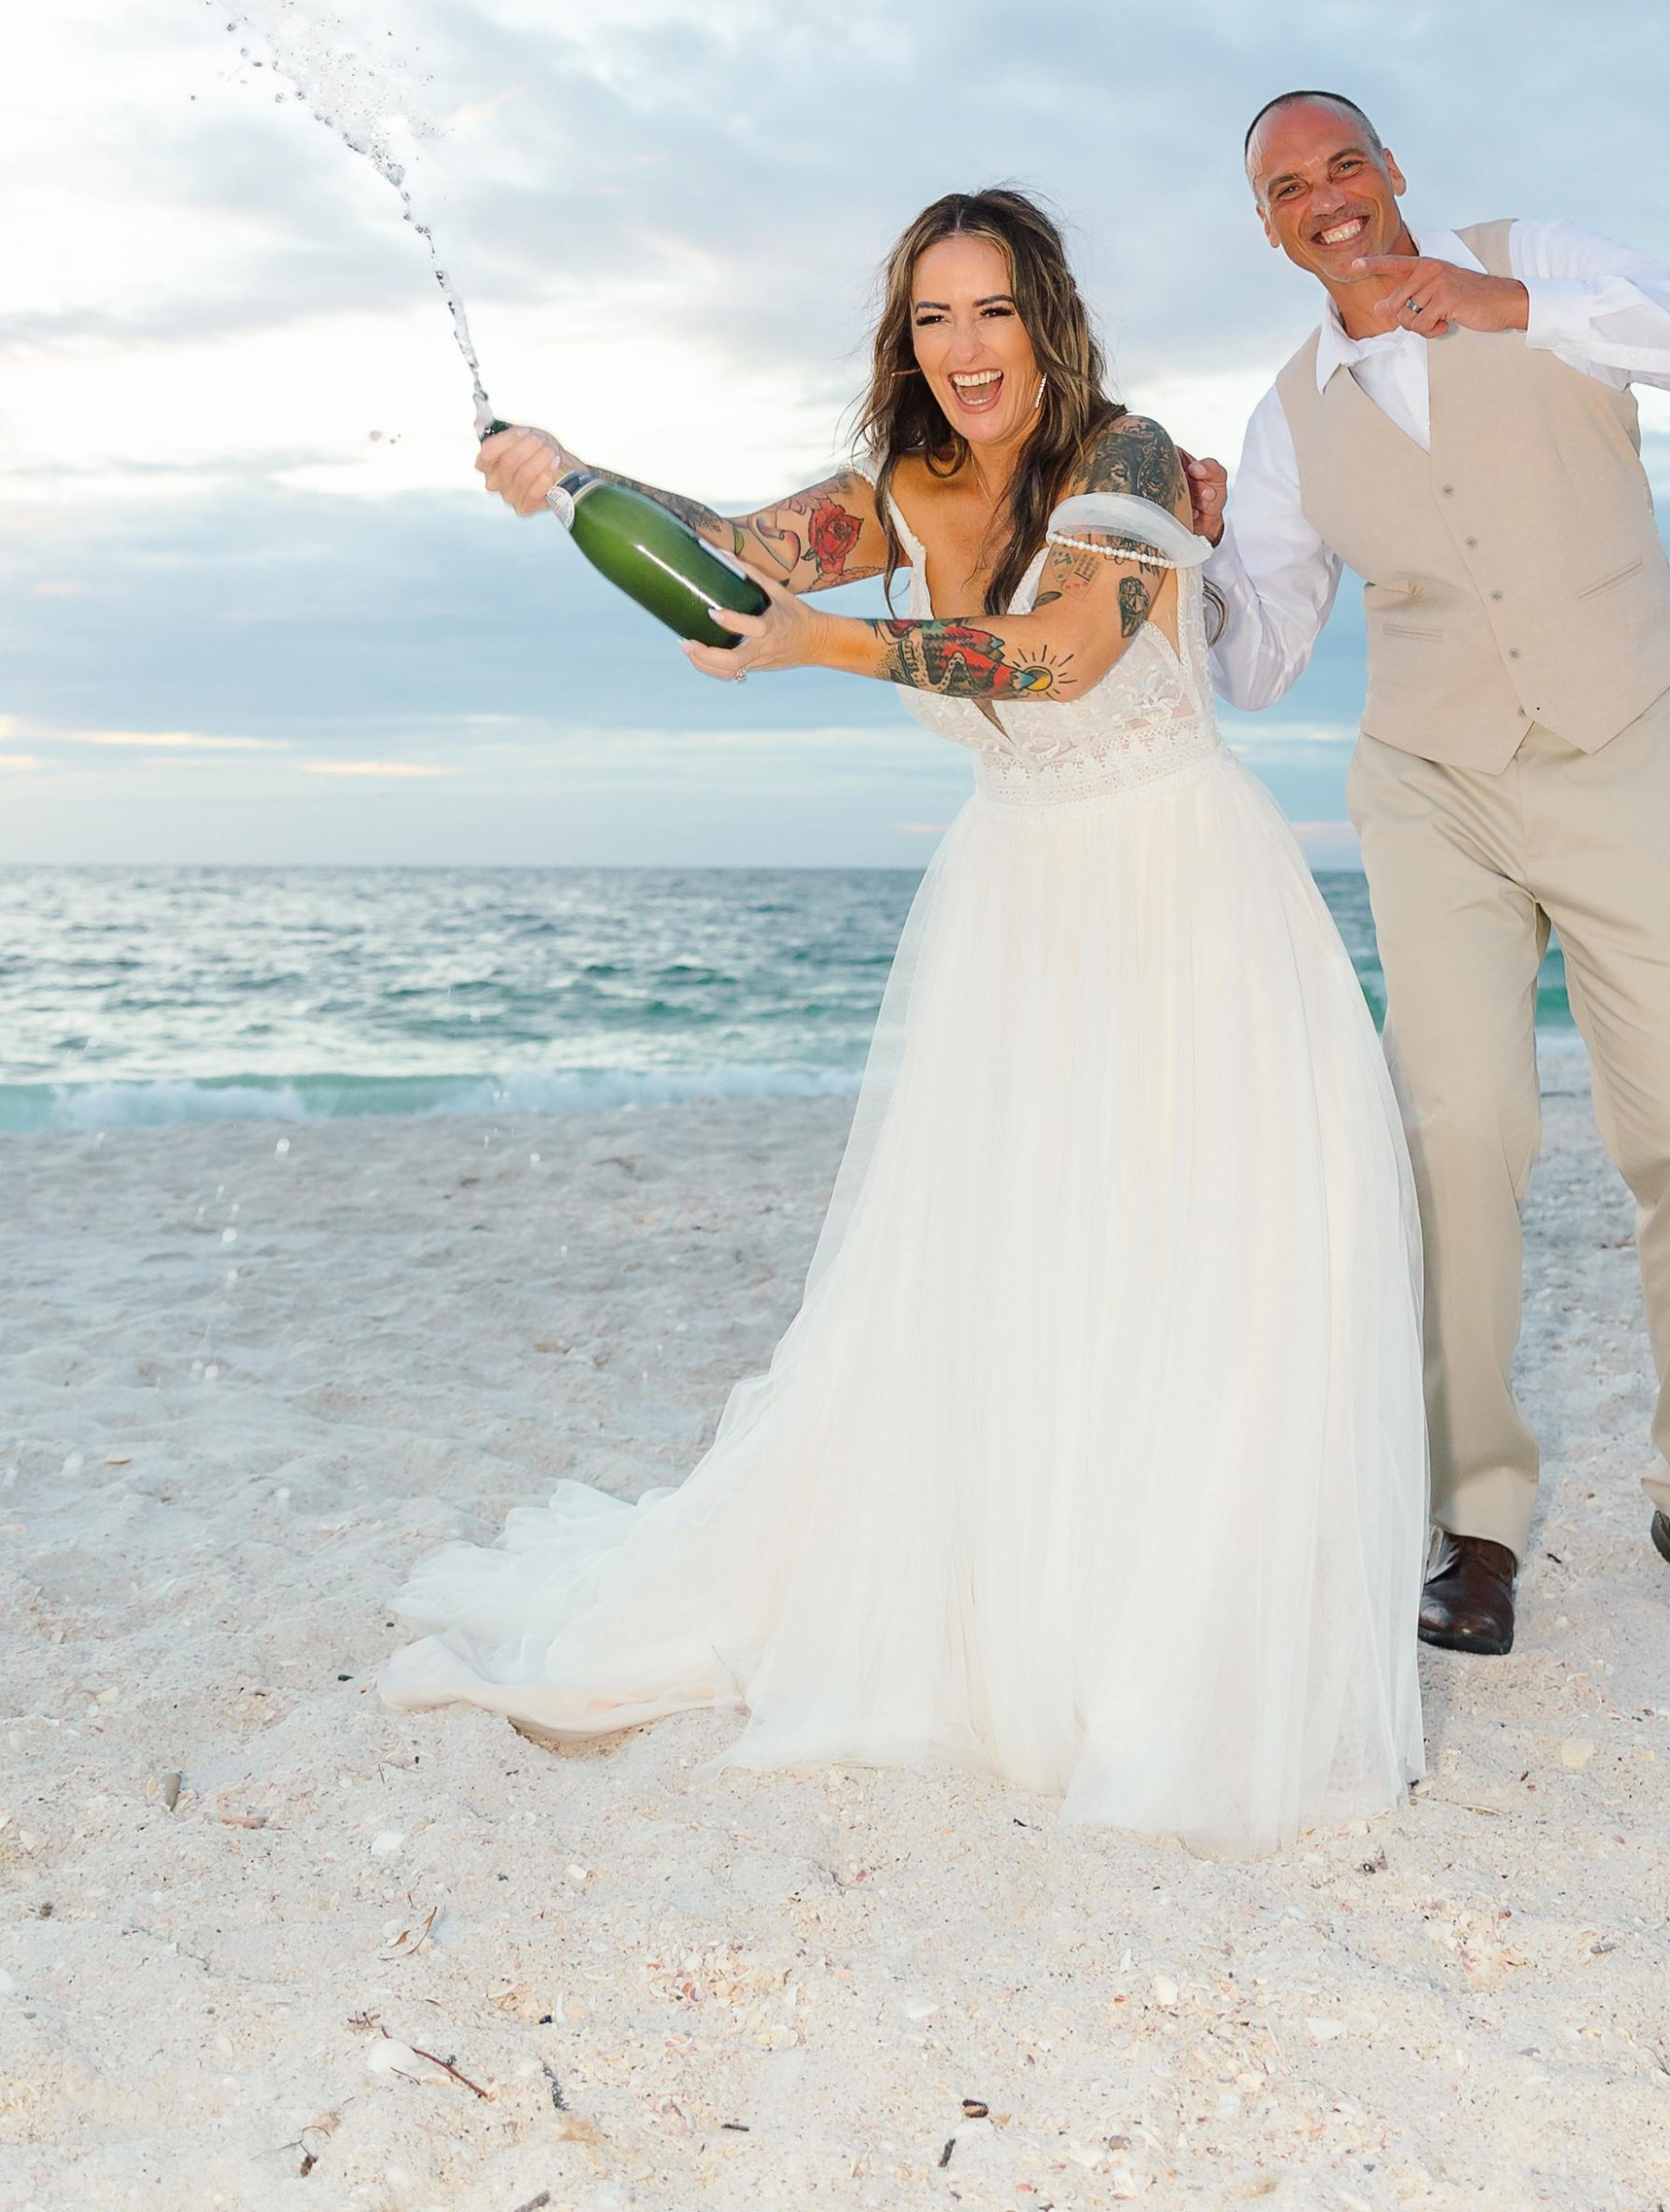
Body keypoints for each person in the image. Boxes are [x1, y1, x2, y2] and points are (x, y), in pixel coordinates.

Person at [379, 188, 1426, 1857]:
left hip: (1180, 889)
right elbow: (733, 551)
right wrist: (570, 480)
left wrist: (823, 649)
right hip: (1018, 907)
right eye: (933, 319)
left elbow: (1071, 650)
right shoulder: (900, 489)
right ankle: (1027, 1615)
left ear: (1049, 319)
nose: (963, 351)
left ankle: (1175, 1646)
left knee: (1207, 1259)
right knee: (1016, 1269)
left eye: (992, 312)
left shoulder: (1133, 459)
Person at [1190, 94, 1670, 1660]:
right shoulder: (1289, 413)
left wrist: (1525, 308)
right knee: (1456, 1134)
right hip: (1432, 784)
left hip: (1624, 747)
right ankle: (1479, 1519)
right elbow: (1257, 658)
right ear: (1266, 226)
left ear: (1394, 173)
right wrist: (1180, 560)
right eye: (1288, 189)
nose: (1327, 202)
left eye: (1343, 167)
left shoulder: (1541, 265)